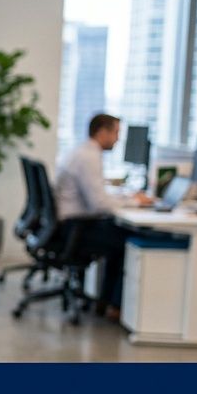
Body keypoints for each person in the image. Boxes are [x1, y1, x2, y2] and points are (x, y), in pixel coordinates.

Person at [54, 112, 153, 317]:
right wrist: (134, 201)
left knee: (117, 233)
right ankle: (113, 305)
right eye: (115, 133)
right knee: (125, 239)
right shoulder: (89, 157)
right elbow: (99, 204)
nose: (118, 139)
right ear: (102, 132)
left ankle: (106, 301)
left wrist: (124, 198)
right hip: (75, 227)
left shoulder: (83, 151)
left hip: (70, 224)